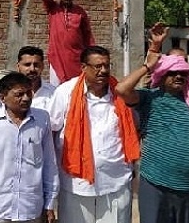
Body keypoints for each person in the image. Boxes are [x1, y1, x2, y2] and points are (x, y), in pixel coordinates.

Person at [115, 23, 189, 223]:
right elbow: (121, 90)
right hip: (156, 183)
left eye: (182, 73)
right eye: (172, 72)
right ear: (161, 76)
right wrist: (148, 65)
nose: (179, 76)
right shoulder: (149, 98)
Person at [48, 45, 139, 223]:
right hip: (76, 184)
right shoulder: (65, 92)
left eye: (106, 65)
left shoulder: (120, 92)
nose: (103, 71)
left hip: (116, 181)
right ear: (83, 67)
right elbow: (50, 131)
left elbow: (133, 128)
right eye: (97, 66)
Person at [0, 72, 59, 223]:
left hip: (30, 210)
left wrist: (49, 203)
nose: (26, 98)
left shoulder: (42, 119)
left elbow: (49, 164)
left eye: (29, 93)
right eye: (19, 94)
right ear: (2, 98)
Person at [37, 0, 95, 85]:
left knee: (77, 91)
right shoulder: (53, 9)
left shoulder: (80, 12)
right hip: (57, 59)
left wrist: (92, 56)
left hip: (77, 60)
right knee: (57, 92)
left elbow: (88, 37)